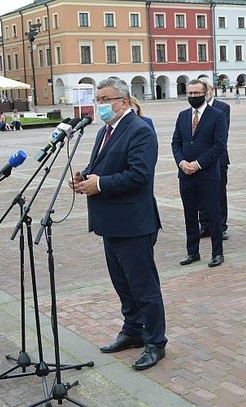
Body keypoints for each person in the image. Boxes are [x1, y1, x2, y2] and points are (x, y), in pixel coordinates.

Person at [68, 77, 167, 370]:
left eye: (106, 99)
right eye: (98, 100)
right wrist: (85, 176)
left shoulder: (140, 130)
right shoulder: (106, 131)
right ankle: (133, 331)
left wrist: (100, 184)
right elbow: (102, 166)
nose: (101, 105)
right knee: (123, 284)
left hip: (134, 222)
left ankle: (155, 342)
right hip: (110, 222)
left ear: (123, 101)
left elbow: (139, 175)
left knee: (143, 287)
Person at [171, 79, 227, 268]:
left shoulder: (217, 115)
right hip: (185, 173)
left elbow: (219, 145)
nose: (193, 96)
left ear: (205, 94)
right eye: (190, 93)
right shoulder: (182, 116)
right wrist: (181, 162)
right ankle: (192, 252)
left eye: (197, 93)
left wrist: (198, 164)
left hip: (208, 173)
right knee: (189, 214)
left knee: (213, 214)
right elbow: (176, 143)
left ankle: (217, 253)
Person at [197, 76, 231, 241]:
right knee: (201, 194)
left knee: (219, 194)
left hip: (218, 158)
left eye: (206, 89)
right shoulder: (193, 109)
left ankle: (221, 226)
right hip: (198, 160)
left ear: (211, 90)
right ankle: (205, 226)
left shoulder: (223, 108)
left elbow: (221, 136)